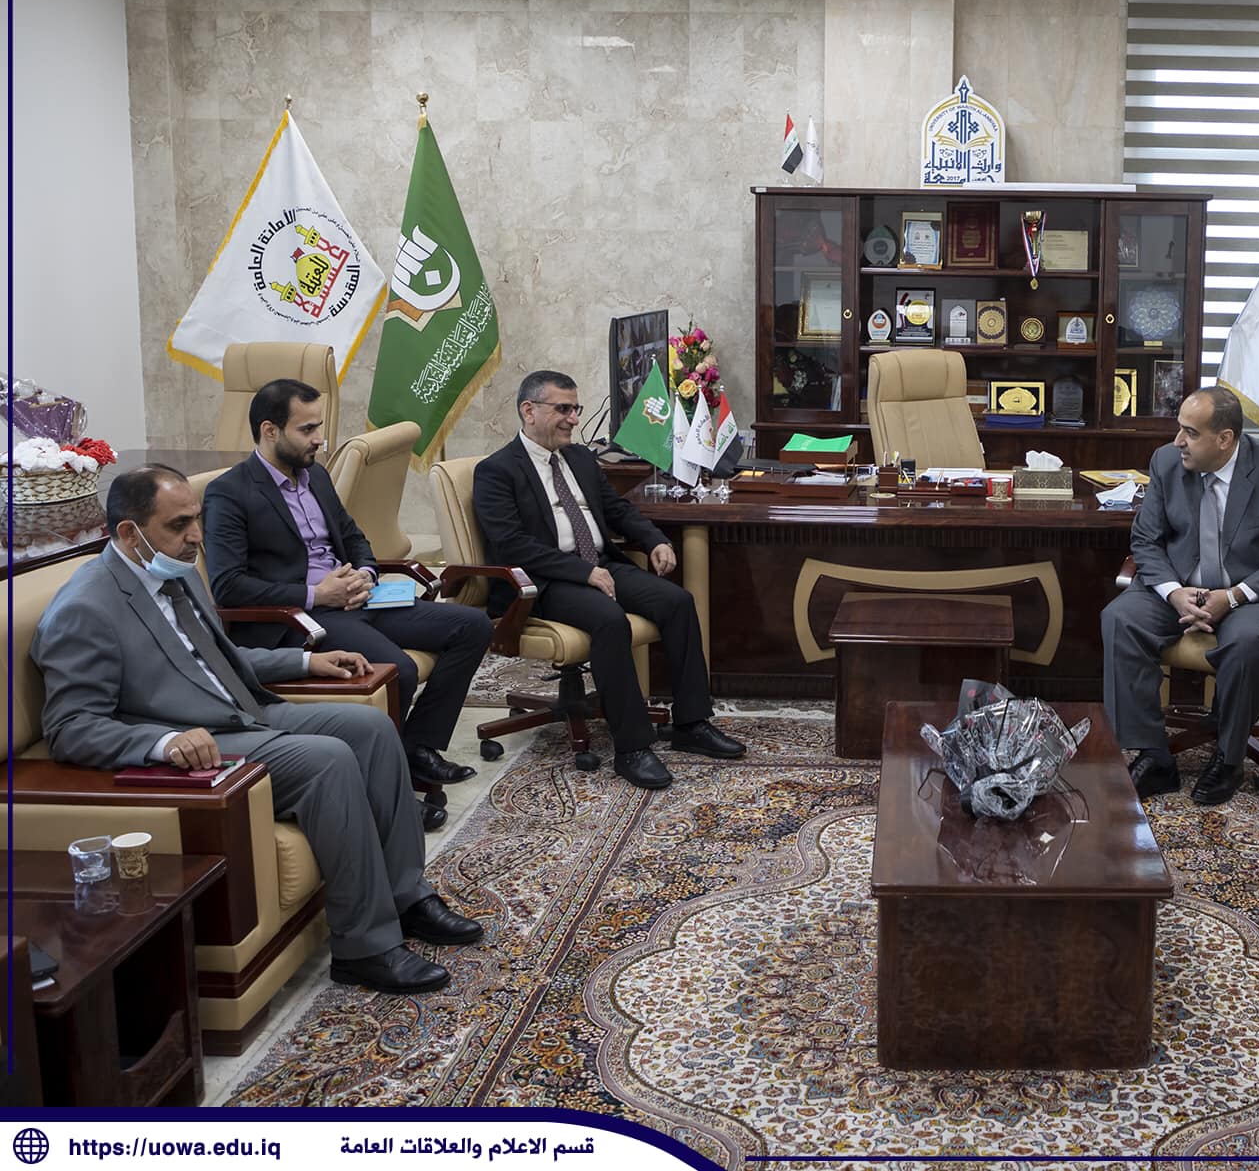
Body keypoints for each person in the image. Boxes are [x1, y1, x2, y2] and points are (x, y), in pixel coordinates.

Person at [30, 466, 482, 995]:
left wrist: (305, 661)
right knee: (328, 760)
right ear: (130, 533)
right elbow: (71, 728)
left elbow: (216, 658)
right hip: (197, 742)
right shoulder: (84, 609)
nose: (196, 536)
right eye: (179, 525)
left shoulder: (176, 571)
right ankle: (365, 948)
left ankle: (408, 897)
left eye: (196, 519)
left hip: (243, 710)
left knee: (372, 728)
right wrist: (162, 742)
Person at [203, 378, 493, 817]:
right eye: (307, 429)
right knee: (398, 670)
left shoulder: (316, 475)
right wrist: (316, 593)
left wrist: (365, 573)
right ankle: (392, 795)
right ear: (270, 431)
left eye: (319, 427)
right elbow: (228, 585)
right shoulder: (230, 492)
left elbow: (354, 537)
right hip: (301, 619)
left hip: (358, 599)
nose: (319, 439)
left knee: (472, 626)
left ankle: (417, 749)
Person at [472, 370, 745, 791]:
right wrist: (583, 572)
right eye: (563, 409)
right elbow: (512, 545)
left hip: (598, 564)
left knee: (677, 602)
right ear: (529, 411)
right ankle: (632, 748)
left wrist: (654, 540)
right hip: (543, 582)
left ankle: (691, 724)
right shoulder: (496, 471)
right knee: (609, 620)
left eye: (576, 408)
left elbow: (617, 511)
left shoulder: (580, 458)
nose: (574, 419)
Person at [1101, 386, 1259, 806]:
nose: (1178, 442)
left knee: (1248, 642)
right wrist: (1173, 593)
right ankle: (1153, 754)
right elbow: (1145, 540)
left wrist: (1233, 597)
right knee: (1120, 618)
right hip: (1180, 588)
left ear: (1224, 439)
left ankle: (1229, 758)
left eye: (1190, 432)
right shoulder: (1166, 463)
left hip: (1247, 594)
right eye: (1179, 429)